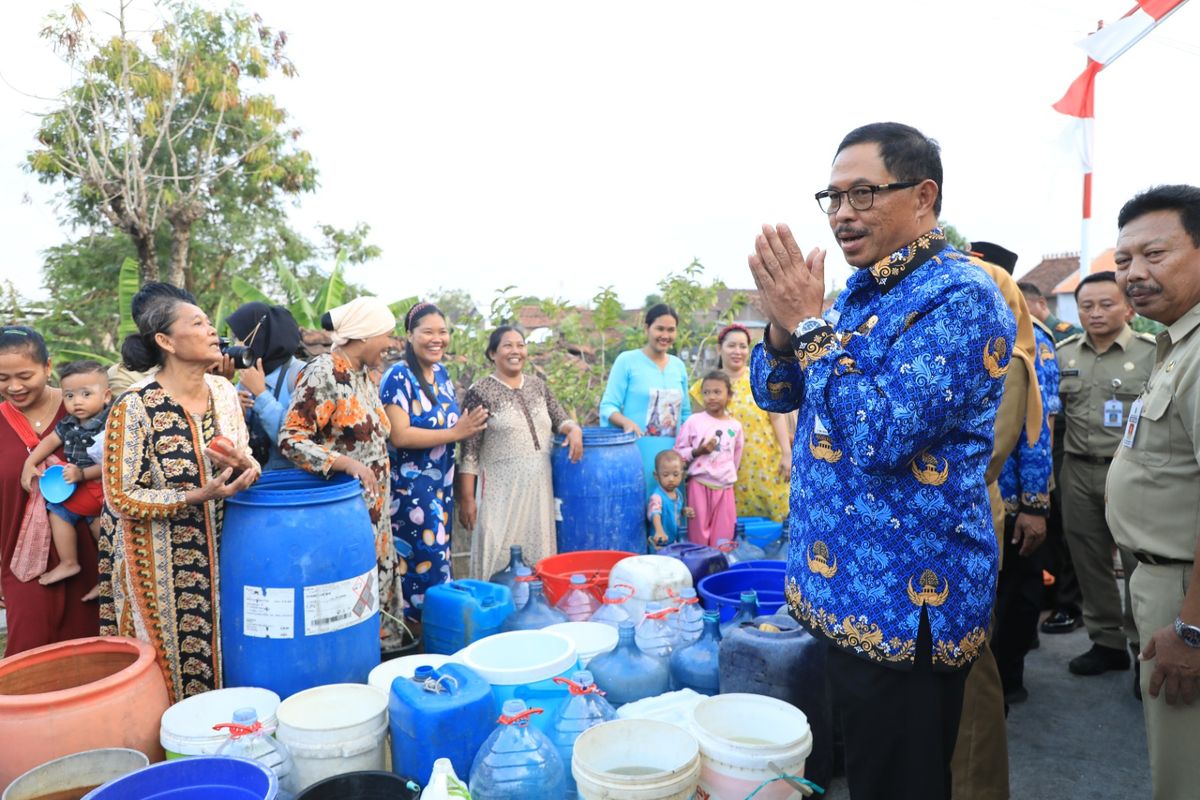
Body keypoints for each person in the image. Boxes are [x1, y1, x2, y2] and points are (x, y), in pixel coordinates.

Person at [748, 122, 1014, 800]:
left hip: (905, 602)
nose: (842, 214)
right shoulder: (861, 293)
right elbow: (775, 390)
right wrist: (783, 327)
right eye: (832, 198)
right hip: (840, 591)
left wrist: (809, 327)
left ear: (923, 196)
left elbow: (880, 436)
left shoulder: (962, 295)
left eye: (863, 194)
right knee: (865, 773)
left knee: (899, 784)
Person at [100, 290, 259, 701]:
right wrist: (194, 496)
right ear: (166, 341)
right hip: (157, 569)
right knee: (166, 677)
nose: (211, 331)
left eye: (209, 323)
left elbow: (244, 451)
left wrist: (249, 467)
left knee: (228, 666)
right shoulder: (133, 406)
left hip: (227, 556)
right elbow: (121, 497)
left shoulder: (224, 391)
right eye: (198, 323)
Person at [1107, 184, 1200, 800]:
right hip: (1161, 583)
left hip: (1185, 595)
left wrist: (1192, 629)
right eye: (1123, 261)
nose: (1134, 274)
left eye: (1155, 254)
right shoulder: (1175, 345)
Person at [279, 296, 404, 645]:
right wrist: (343, 462)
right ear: (363, 336)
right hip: (344, 514)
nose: (391, 344)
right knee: (350, 606)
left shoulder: (363, 376)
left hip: (375, 515)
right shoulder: (324, 372)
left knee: (378, 609)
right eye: (387, 335)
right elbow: (291, 438)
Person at [1055, 271, 1156, 680]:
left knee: (1139, 564)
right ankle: (1107, 643)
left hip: (1132, 474)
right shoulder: (1064, 354)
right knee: (1088, 558)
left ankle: (1142, 648)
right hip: (1077, 469)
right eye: (1086, 306)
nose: (1095, 313)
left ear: (1128, 307)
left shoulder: (1153, 353)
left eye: (1106, 304)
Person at [381, 303, 487, 621]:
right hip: (409, 493)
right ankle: (419, 639)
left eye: (442, 332)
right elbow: (398, 435)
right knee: (422, 564)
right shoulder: (397, 376)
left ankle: (438, 633)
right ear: (409, 336)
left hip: (439, 488)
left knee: (437, 561)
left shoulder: (440, 373)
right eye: (427, 332)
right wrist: (456, 432)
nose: (436, 339)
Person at [0, 327, 99, 656]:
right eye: (2, 378)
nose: (14, 387)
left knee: (95, 656)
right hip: (22, 563)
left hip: (90, 558)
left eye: (24, 375)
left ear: (48, 366)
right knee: (27, 659)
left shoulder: (86, 407)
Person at [456, 326, 583, 580]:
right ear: (493, 353)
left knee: (538, 559)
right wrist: (467, 499)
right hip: (500, 491)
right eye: (507, 345)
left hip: (538, 489)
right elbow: (469, 451)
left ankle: (537, 615)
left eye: (521, 345)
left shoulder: (538, 386)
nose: (516, 351)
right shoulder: (480, 392)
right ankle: (493, 612)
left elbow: (561, 419)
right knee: (496, 552)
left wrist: (574, 429)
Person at [993, 293, 1059, 705]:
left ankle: (1008, 677)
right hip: (972, 499)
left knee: (1017, 591)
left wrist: (1035, 506)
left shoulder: (1029, 340)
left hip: (1015, 494)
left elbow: (1038, 429)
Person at [1020, 281, 1084, 637]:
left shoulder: (1059, 336)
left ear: (1038, 303)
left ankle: (1067, 600)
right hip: (1047, 441)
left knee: (1060, 524)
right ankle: (1053, 593)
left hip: (1055, 440)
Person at [20, 361, 111, 598]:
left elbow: (113, 463)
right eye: (69, 395)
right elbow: (50, 441)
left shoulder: (110, 423)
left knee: (74, 518)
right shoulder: (69, 423)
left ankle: (89, 570)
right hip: (78, 487)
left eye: (86, 394)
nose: (77, 401)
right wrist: (30, 463)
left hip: (99, 487)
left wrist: (82, 474)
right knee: (75, 520)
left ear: (106, 396)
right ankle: (86, 568)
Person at [689, 324, 791, 523]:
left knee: (773, 520)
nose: (738, 351)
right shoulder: (706, 386)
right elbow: (696, 427)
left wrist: (787, 453)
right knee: (728, 520)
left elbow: (777, 417)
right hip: (722, 467)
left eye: (743, 346)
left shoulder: (760, 379)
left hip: (764, 461)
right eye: (731, 346)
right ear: (720, 349)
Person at [599, 304, 692, 492]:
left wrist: (689, 452)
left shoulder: (678, 366)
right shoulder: (627, 361)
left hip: (673, 462)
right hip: (637, 454)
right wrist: (626, 422)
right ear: (646, 328)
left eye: (671, 330)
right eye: (660, 328)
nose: (665, 335)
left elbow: (686, 414)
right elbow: (608, 407)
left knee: (669, 512)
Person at [226, 302, 304, 471]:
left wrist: (261, 394)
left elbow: (298, 440)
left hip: (293, 486)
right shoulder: (245, 378)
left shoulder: (303, 375)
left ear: (261, 336)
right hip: (255, 484)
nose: (236, 344)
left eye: (238, 337)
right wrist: (235, 409)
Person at [673, 370, 743, 547]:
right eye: (706, 392)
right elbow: (678, 452)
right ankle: (700, 570)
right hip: (699, 486)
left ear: (729, 395)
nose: (711, 397)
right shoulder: (693, 421)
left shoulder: (735, 426)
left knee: (724, 538)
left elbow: (736, 458)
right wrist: (698, 452)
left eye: (717, 392)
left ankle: (721, 572)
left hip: (725, 489)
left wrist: (727, 475)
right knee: (698, 537)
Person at [647, 449, 692, 550]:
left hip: (673, 541)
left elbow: (676, 510)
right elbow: (656, 514)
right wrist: (659, 531)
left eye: (675, 475)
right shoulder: (657, 496)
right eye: (666, 475)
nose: (671, 479)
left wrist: (684, 511)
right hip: (659, 542)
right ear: (656, 476)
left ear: (682, 474)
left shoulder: (678, 494)